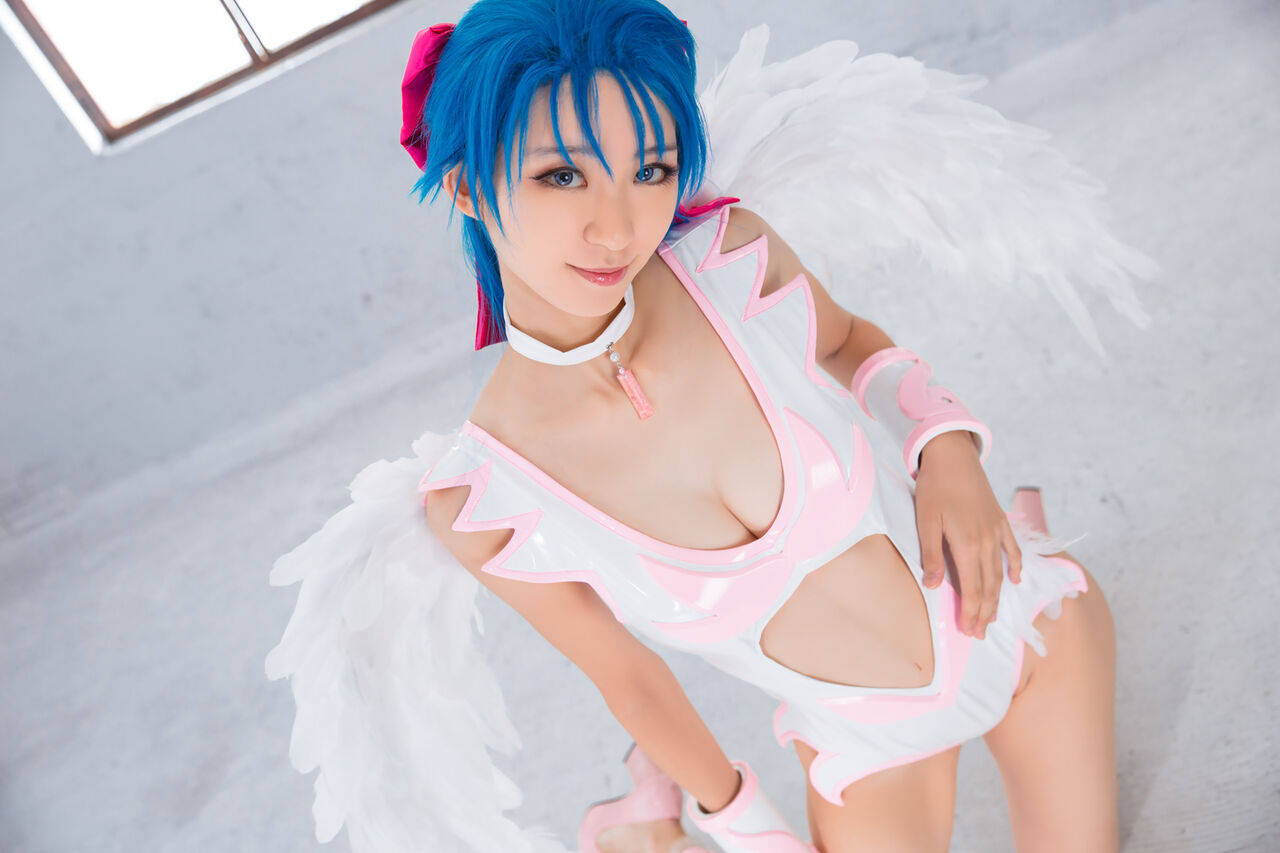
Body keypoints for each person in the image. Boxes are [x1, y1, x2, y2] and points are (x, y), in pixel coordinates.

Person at [268, 1, 1150, 850]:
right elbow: (631, 679)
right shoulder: (486, 498)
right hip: (870, 748)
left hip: (1025, 627)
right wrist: (745, 828)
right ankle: (644, 828)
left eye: (651, 169)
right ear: (466, 185)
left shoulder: (730, 260)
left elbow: (851, 342)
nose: (616, 227)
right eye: (561, 175)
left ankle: (1025, 531)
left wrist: (949, 452)